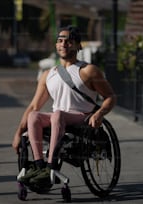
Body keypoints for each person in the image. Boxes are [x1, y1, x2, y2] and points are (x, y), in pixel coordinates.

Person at [12, 25, 116, 185]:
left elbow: (110, 97)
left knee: (58, 114)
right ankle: (40, 166)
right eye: (60, 41)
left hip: (82, 118)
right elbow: (34, 106)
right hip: (57, 118)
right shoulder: (48, 74)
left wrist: (100, 113)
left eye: (68, 41)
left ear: (78, 45)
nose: (63, 44)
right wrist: (18, 133)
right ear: (56, 45)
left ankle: (51, 165)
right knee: (34, 116)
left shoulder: (89, 71)